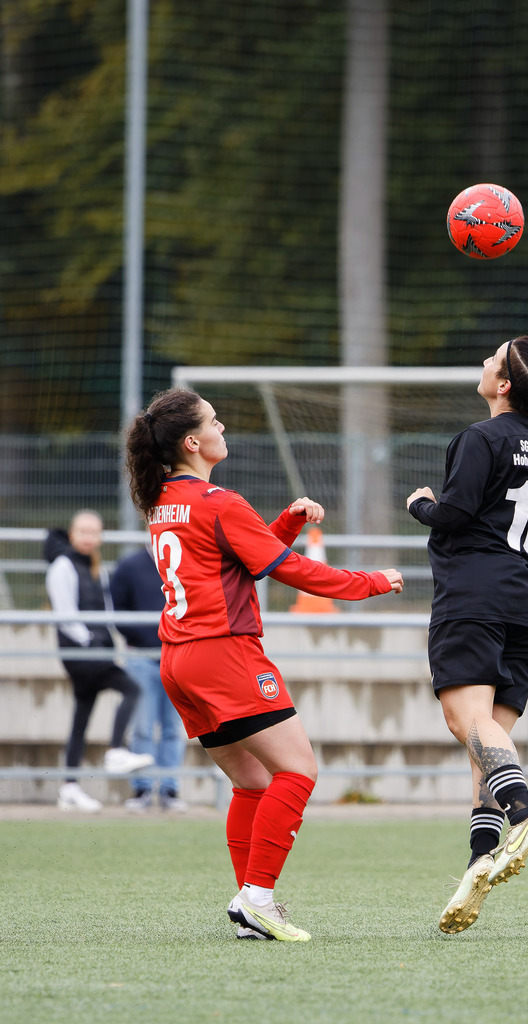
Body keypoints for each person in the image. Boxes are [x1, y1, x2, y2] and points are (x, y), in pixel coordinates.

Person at [125, 386, 403, 941]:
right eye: (215, 423)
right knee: (298, 771)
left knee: (252, 783)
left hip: (179, 660)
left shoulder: (165, 503)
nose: (223, 428)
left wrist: (286, 522)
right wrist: (372, 582)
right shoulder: (218, 502)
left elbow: (237, 565)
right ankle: (258, 898)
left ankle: (252, 909)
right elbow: (292, 572)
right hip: (224, 653)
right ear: (193, 442)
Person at [406, 335, 528, 934]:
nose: (482, 363)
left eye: (491, 359)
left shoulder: (479, 438)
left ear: (503, 385)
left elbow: (451, 515)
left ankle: (523, 810)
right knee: (491, 732)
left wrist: (421, 504)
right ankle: (480, 861)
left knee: (465, 722)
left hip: (475, 595)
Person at [45, 510, 155, 813]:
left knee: (81, 719)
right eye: (83, 531)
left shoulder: (95, 566)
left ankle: (69, 788)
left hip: (96, 650)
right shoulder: (62, 566)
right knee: (132, 689)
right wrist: (89, 640)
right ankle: (116, 751)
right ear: (72, 533)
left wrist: (107, 641)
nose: (88, 537)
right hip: (80, 654)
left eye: (94, 532)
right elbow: (65, 614)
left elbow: (104, 610)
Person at [110, 545, 188, 813]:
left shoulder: (183, 562)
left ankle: (170, 789)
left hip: (177, 657)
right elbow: (118, 611)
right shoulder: (129, 566)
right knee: (142, 726)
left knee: (172, 727)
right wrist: (146, 638)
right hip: (142, 658)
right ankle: (142, 788)